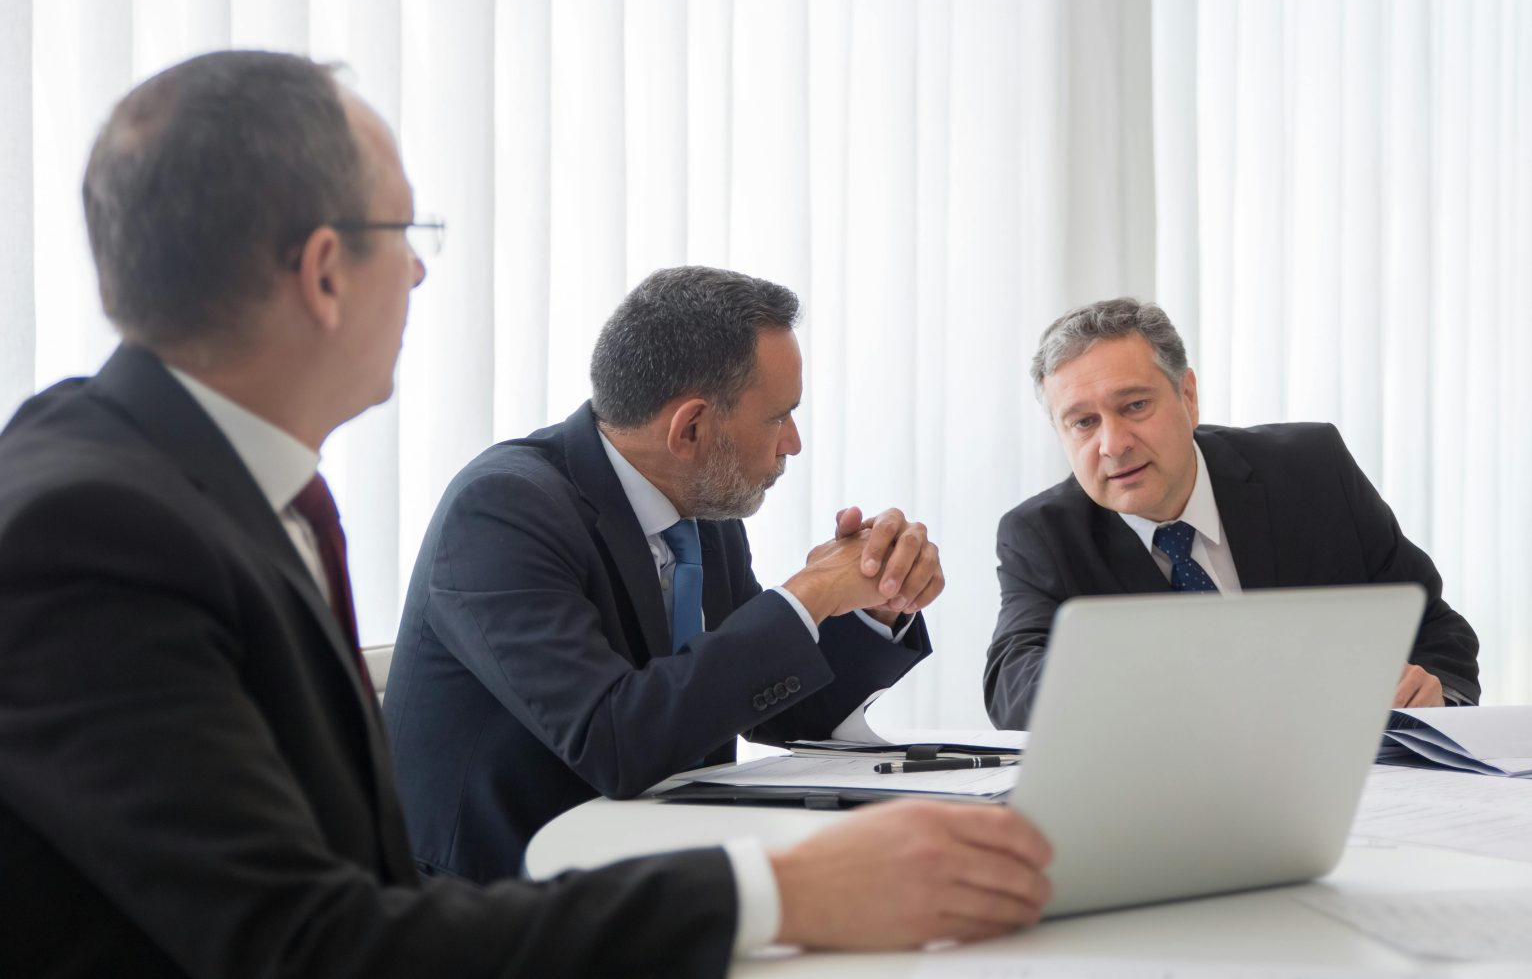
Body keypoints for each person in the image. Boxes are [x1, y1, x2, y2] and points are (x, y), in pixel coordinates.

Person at [0, 50, 1052, 977]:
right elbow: (303, 944)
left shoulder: (197, 490)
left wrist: (849, 607)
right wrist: (784, 894)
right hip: (494, 908)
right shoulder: (92, 536)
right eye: (404, 233)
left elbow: (750, 691)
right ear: (323, 273)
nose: (419, 270)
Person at [385, 265, 943, 878]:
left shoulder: (701, 503)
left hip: (662, 873)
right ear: (691, 428)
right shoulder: (501, 511)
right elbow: (614, 741)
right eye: (778, 417)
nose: (793, 443)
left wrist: (872, 602)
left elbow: (774, 706)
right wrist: (806, 596)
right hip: (501, 898)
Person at [985, 297, 1480, 730]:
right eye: (1083, 423)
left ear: (1188, 396)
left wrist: (1432, 691)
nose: (1113, 444)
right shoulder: (1042, 533)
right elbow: (1013, 686)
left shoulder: (1311, 470)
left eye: (1134, 406)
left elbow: (1433, 626)